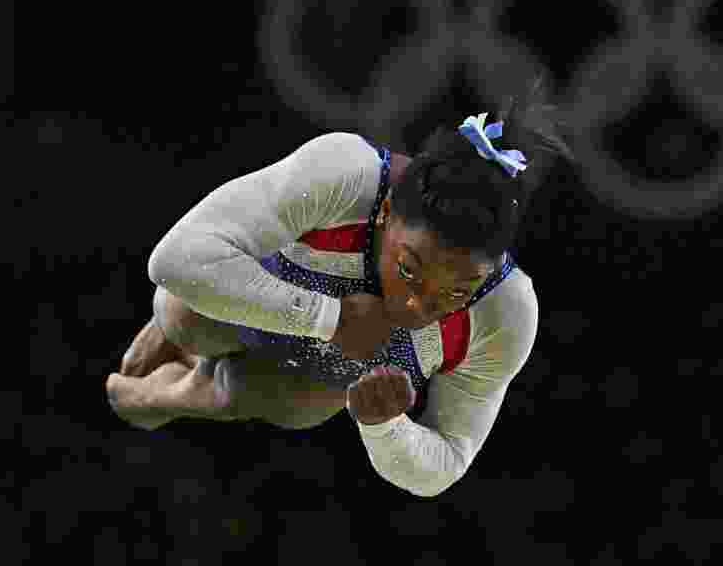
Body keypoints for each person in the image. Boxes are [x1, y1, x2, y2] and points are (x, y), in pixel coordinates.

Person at [106, 85, 573, 497]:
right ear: (387, 211)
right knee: (188, 318)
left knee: (293, 403)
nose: (417, 307)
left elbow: (448, 462)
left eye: (455, 294)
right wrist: (329, 318)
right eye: (409, 271)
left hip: (308, 377)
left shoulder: (506, 311)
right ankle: (172, 324)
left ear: (487, 273)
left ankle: (164, 398)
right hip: (256, 299)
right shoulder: (345, 175)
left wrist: (385, 428)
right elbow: (175, 258)